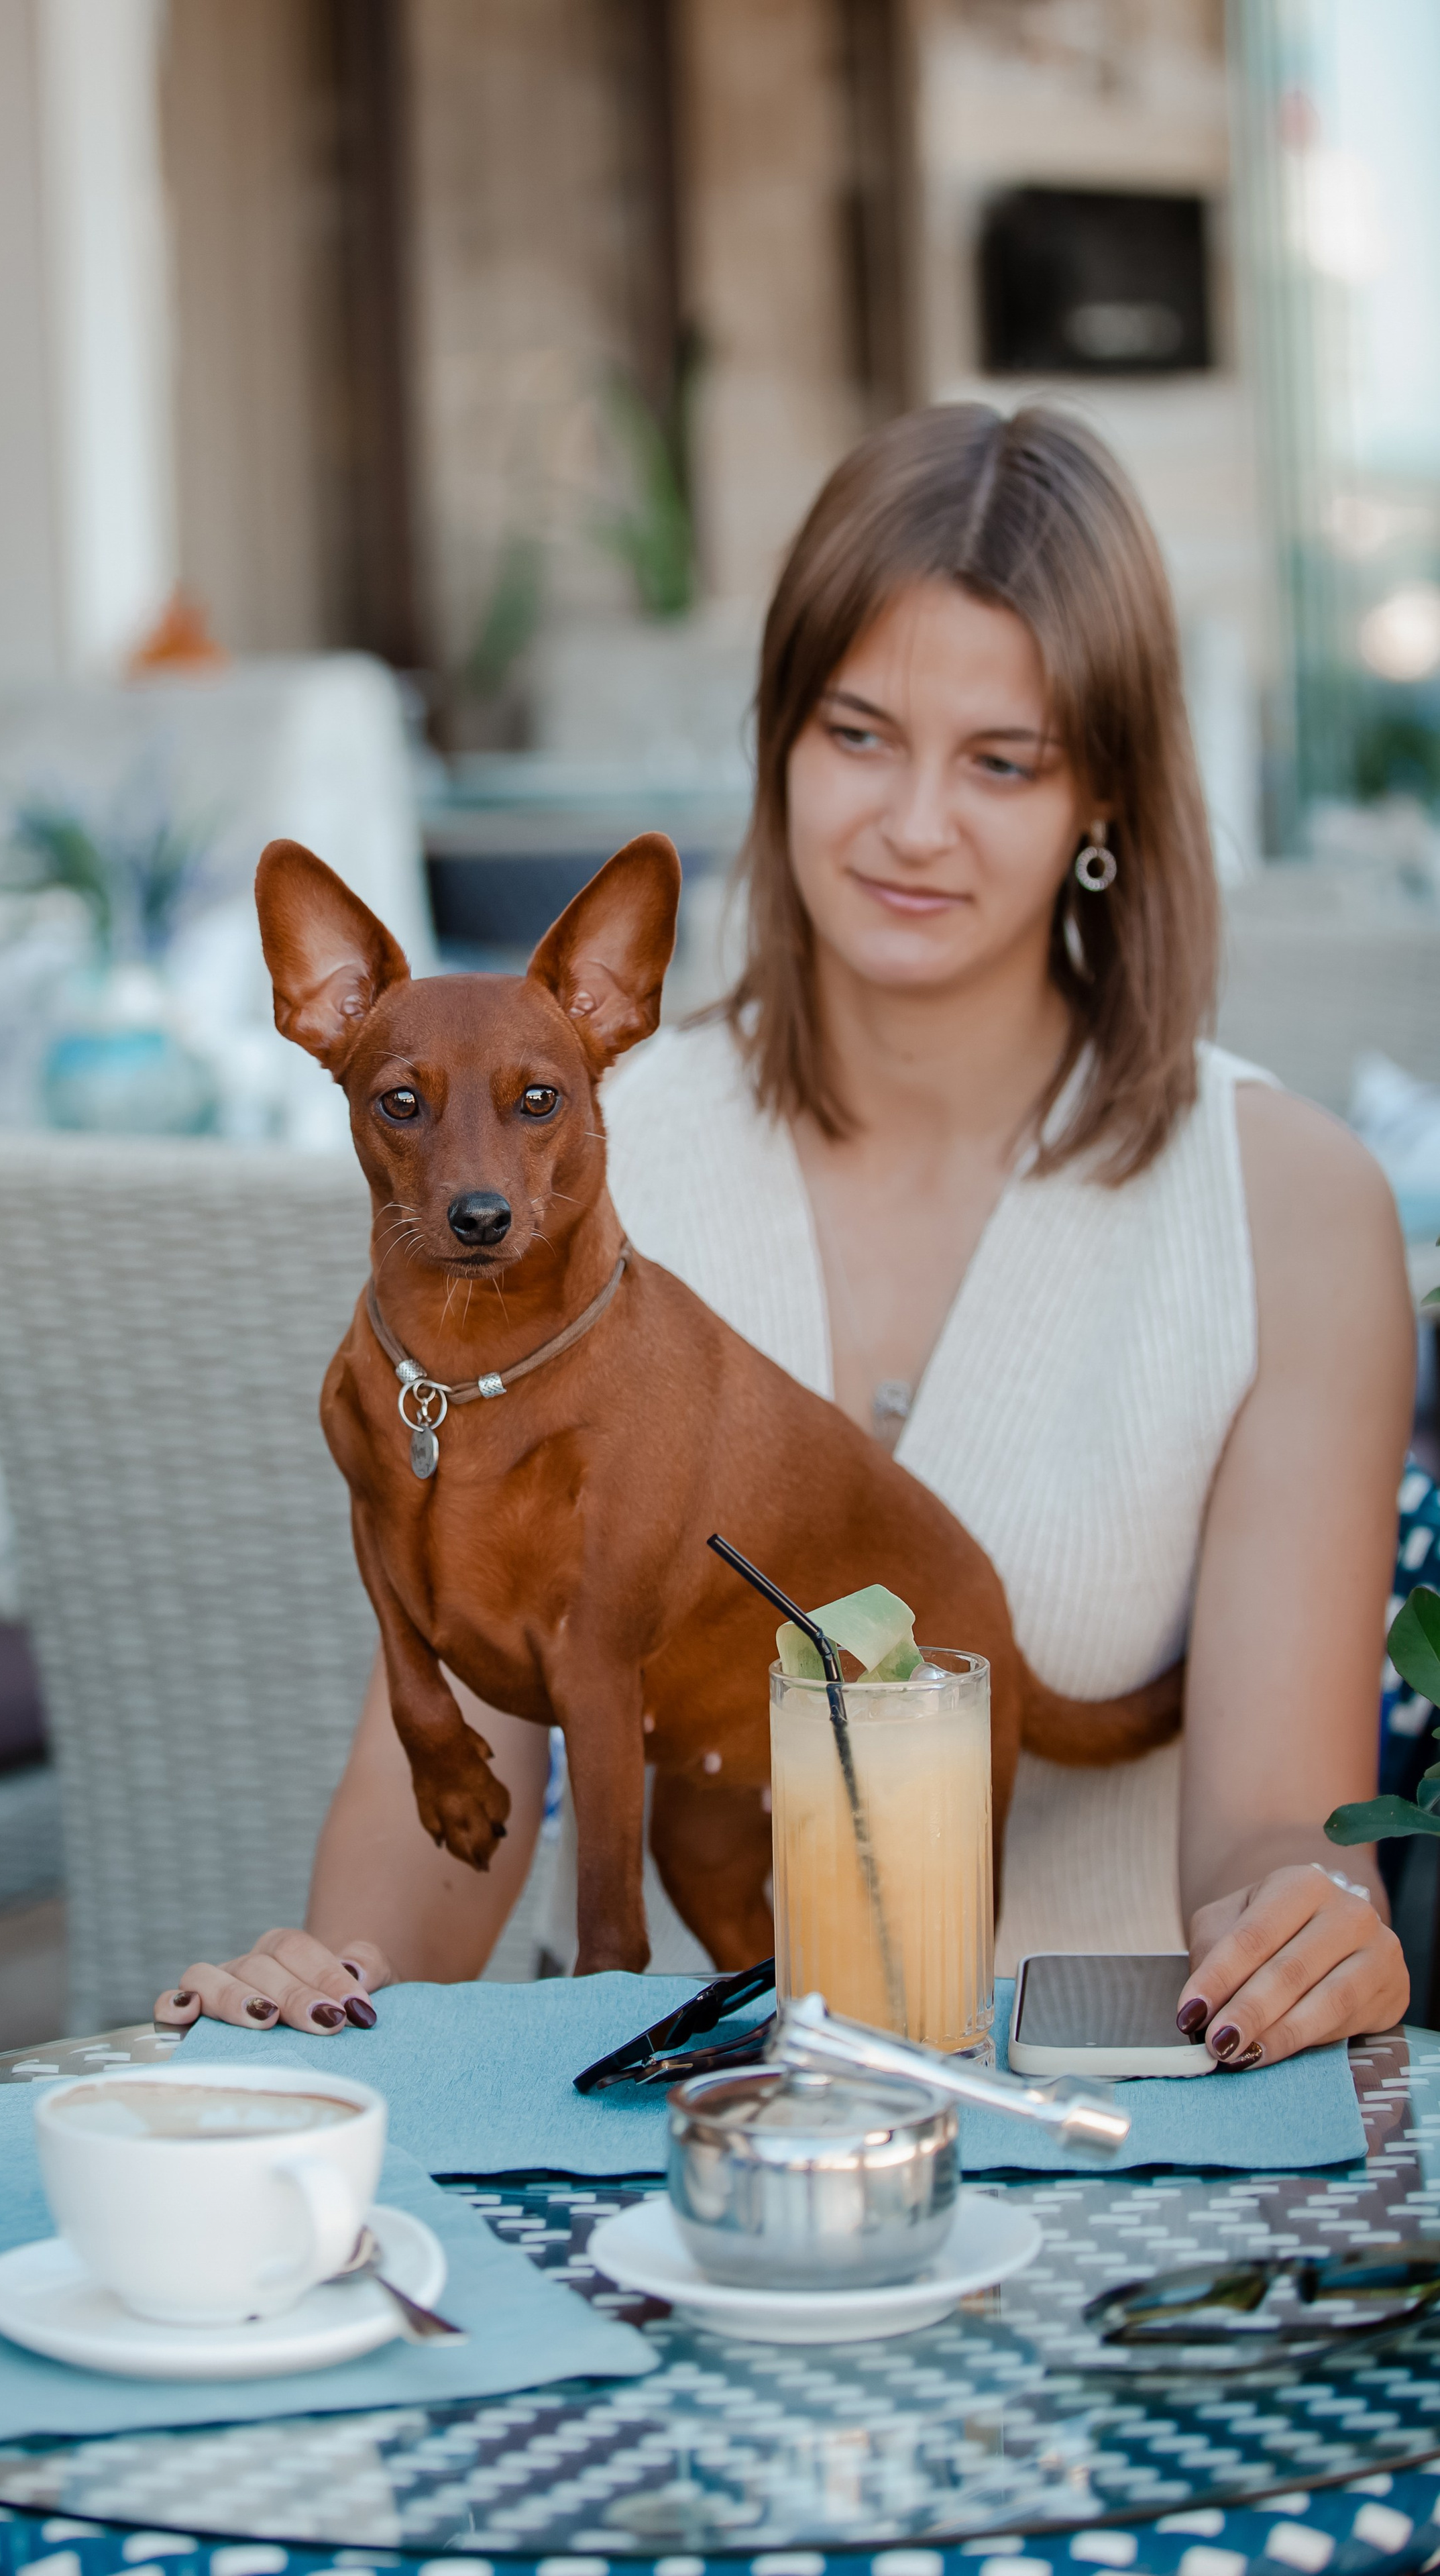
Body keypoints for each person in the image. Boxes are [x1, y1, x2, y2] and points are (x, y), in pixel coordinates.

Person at [159, 402, 1414, 2069]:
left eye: (1001, 760)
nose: (910, 823)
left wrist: (1310, 1932)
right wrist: (327, 1977)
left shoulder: (1292, 1211)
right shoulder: (548, 1149)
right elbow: (454, 1765)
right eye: (857, 734)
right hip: (641, 2163)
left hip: (1100, 2170)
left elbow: (1267, 1835)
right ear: (776, 740)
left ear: (1102, 793)